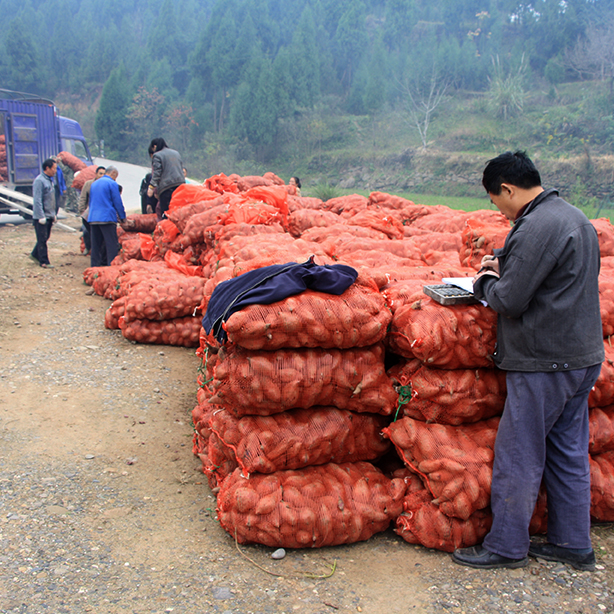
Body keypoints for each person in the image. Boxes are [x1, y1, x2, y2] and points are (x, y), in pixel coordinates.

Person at [452, 151, 604, 571]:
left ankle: (506, 545)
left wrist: (486, 279)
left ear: (508, 188)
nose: (494, 208)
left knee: (520, 452)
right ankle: (574, 544)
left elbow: (510, 299)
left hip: (545, 361)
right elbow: (554, 278)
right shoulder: (573, 217)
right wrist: (508, 264)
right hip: (582, 357)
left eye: (493, 198)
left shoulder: (535, 225)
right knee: (568, 451)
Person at [87, 166, 127, 267]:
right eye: (115, 177)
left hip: (93, 218)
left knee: (96, 246)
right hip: (107, 218)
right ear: (113, 174)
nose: (115, 179)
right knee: (111, 245)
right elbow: (117, 201)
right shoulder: (112, 183)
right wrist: (122, 217)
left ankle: (94, 269)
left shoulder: (94, 184)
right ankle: (111, 268)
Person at [146, 137, 185, 219]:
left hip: (167, 188)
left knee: (166, 214)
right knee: (179, 212)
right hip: (180, 186)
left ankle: (167, 230)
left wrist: (151, 187)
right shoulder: (176, 153)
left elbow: (157, 173)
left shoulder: (157, 155)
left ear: (154, 146)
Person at [30, 158, 58, 269]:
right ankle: (44, 261)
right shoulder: (39, 181)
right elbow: (37, 200)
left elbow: (51, 199)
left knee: (45, 237)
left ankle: (34, 255)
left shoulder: (50, 180)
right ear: (47, 168)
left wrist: (53, 213)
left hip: (49, 214)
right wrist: (40, 216)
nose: (55, 171)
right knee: (42, 239)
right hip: (41, 216)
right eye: (54, 168)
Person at [78, 165, 106, 255]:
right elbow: (83, 198)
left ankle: (99, 254)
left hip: (101, 215)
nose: (102, 175)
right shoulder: (89, 184)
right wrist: (82, 211)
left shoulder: (107, 184)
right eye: (100, 173)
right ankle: (88, 247)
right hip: (89, 213)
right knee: (87, 232)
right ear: (96, 174)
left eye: (104, 174)